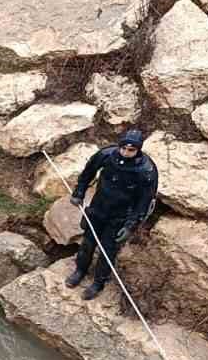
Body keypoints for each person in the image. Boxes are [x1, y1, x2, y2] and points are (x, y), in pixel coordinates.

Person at [66, 128, 158, 303]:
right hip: (98, 207)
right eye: (123, 148)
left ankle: (98, 283)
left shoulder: (146, 170)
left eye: (131, 150)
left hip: (121, 215)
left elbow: (144, 202)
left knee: (108, 250)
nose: (125, 153)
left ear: (138, 150)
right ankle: (80, 270)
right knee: (88, 242)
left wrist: (131, 225)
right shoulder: (106, 155)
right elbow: (87, 173)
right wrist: (79, 192)